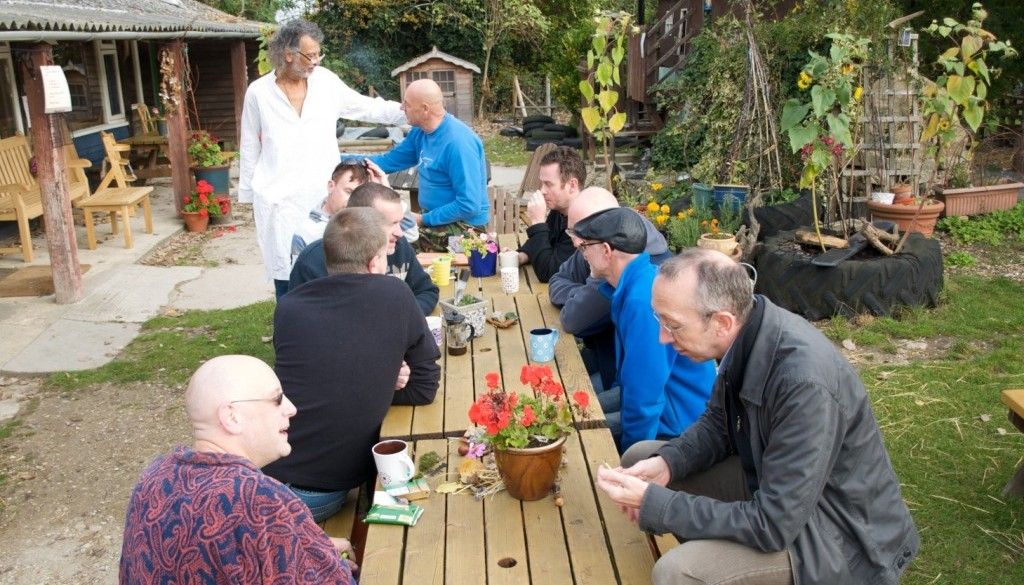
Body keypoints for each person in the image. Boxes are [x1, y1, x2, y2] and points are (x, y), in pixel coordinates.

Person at [596, 249, 919, 585]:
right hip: (777, 489)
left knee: (678, 571)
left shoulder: (804, 383)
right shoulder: (747, 331)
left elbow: (773, 524)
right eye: (660, 321)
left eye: (672, 324)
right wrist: (668, 463)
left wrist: (660, 506)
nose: (663, 337)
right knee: (646, 459)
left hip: (836, 536)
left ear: (721, 322)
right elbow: (718, 425)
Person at [265, 208, 440, 521]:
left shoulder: (289, 306)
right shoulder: (395, 295)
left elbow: (311, 377)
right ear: (374, 261)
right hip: (318, 492)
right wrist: (381, 383)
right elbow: (425, 388)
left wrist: (370, 380)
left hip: (265, 473)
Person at [119, 355, 355, 583]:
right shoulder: (258, 498)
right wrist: (335, 564)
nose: (291, 408)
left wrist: (312, 544)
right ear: (231, 417)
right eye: (277, 399)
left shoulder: (154, 476)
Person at [239, 18, 406, 299]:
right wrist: (248, 195)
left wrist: (406, 111)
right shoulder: (258, 93)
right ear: (288, 54)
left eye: (319, 54)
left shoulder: (326, 82)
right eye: (310, 55)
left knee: (330, 268)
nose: (316, 61)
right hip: (280, 202)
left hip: (324, 197)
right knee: (287, 276)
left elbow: (365, 107)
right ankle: (290, 332)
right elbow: (248, 145)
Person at [569, 206, 715, 452]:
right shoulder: (641, 280)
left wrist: (632, 459)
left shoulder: (642, 301)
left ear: (606, 251)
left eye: (585, 247)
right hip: (662, 405)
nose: (581, 253)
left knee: (574, 438)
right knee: (571, 413)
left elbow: (645, 400)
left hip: (677, 428)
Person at [549, 187, 673, 391]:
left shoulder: (636, 283)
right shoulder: (598, 251)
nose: (576, 243)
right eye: (572, 232)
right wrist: (582, 291)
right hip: (614, 369)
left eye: (581, 235)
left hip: (642, 391)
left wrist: (591, 284)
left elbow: (572, 319)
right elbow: (557, 279)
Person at [369, 79, 488, 251]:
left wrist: (423, 220)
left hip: (467, 234)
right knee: (379, 231)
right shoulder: (420, 133)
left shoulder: (459, 143)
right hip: (434, 220)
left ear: (425, 109)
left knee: (392, 242)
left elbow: (469, 205)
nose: (402, 108)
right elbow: (387, 162)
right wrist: (338, 158)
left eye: (407, 104)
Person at [290, 183, 439, 315]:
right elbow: (298, 320)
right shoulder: (312, 262)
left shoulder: (399, 246)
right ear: (360, 220)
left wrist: (401, 317)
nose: (400, 233)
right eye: (391, 223)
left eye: (400, 222)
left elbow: (426, 291)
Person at [516, 146, 585, 283]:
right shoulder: (559, 210)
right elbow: (543, 242)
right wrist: (521, 256)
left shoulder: (582, 223)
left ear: (572, 185)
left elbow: (548, 273)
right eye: (542, 183)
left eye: (548, 184)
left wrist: (537, 222)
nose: (542, 190)